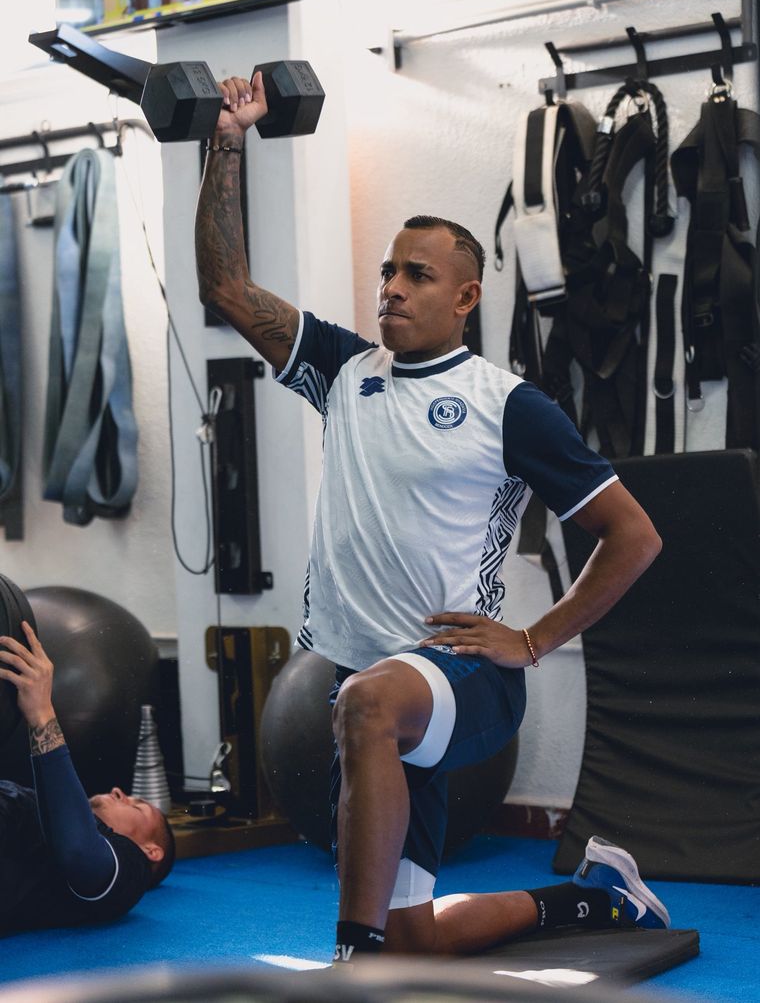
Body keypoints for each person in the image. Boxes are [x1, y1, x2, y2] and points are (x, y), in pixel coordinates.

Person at [193, 74, 667, 961]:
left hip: (463, 684)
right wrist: (224, 139)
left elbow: (634, 535)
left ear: (465, 296)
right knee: (419, 934)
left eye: (419, 274)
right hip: (380, 692)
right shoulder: (344, 372)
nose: (393, 287)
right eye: (387, 270)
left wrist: (530, 640)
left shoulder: (508, 405)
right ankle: (598, 898)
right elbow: (225, 287)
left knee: (367, 703)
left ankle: (354, 961)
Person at [0, 621, 174, 937]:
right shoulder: (42, 808)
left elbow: (80, 851)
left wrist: (41, 712)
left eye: (137, 806)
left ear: (152, 850)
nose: (121, 792)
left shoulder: (130, 871)